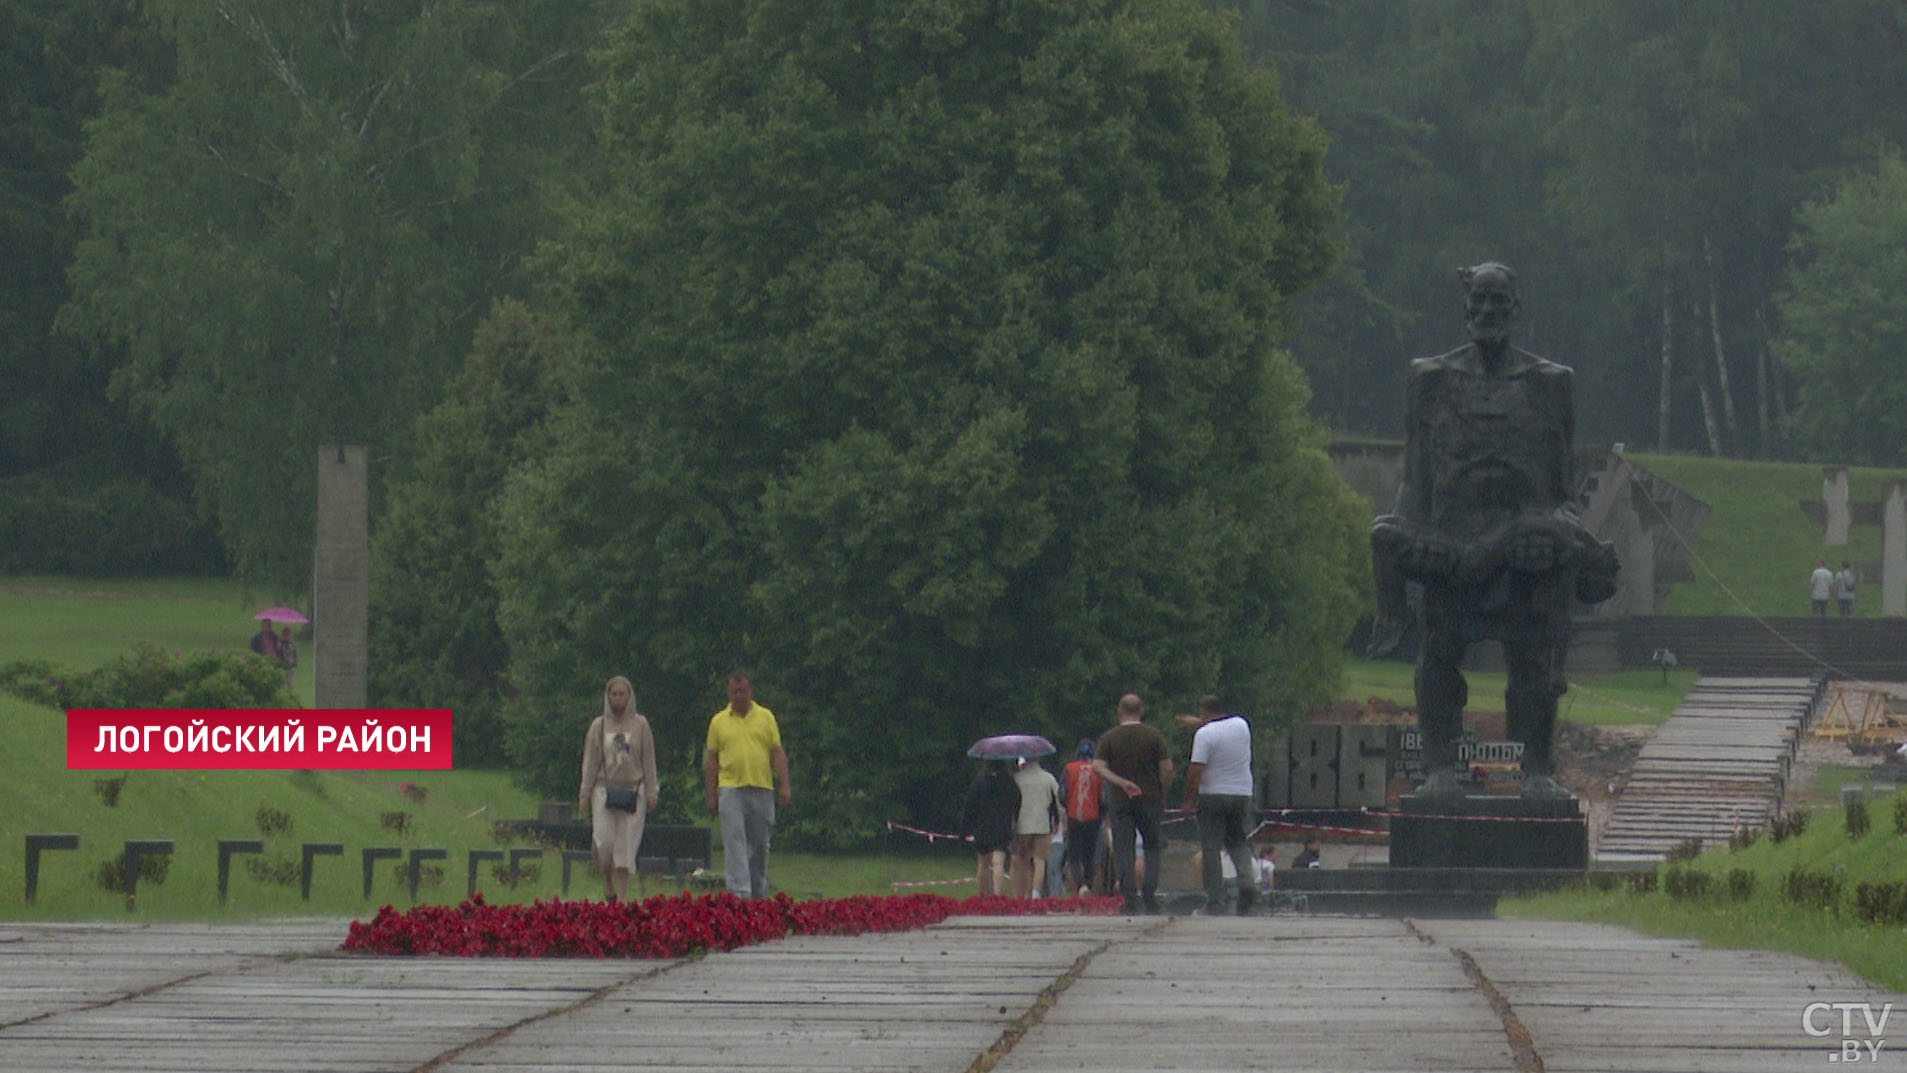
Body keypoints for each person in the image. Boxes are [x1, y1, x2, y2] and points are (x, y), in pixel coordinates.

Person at [1370, 262, 1619, 799]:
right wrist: (1406, 547)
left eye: (1497, 302)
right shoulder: (1430, 378)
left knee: (1534, 662)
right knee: (1437, 654)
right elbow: (1414, 479)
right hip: (1451, 545)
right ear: (1465, 310)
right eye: (1478, 302)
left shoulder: (1551, 384)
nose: (1486, 312)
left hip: (1524, 550)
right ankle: (1439, 769)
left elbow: (1563, 491)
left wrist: (1561, 532)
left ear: (1515, 310)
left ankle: (1537, 770)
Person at [702, 671, 791, 899]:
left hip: (762, 787)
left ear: (750, 690)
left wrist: (784, 785)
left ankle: (757, 892)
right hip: (731, 789)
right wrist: (711, 793)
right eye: (734, 691)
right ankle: (739, 896)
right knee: (735, 843)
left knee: (760, 846)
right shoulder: (718, 721)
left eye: (742, 691)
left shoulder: (766, 717)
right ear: (728, 692)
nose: (738, 695)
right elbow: (712, 760)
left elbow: (777, 752)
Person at [578, 676, 659, 902]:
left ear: (629, 696)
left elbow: (648, 759)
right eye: (613, 694)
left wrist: (652, 791)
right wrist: (585, 791)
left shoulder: (640, 725)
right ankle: (607, 881)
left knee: (625, 849)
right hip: (604, 789)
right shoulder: (599, 725)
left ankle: (621, 901)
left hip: (634, 790)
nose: (617, 698)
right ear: (607, 696)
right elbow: (591, 760)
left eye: (622, 694)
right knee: (604, 842)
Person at [1092, 693, 1172, 914]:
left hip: (1120, 800)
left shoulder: (1109, 737)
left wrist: (1121, 782)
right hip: (1150, 799)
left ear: (1120, 711)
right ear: (1142, 711)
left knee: (1124, 849)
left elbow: (1097, 766)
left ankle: (1129, 899)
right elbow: (1167, 769)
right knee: (1152, 846)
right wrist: (1162, 792)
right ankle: (1149, 894)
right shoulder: (1154, 736)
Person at [1182, 695, 1256, 915]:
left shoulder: (1203, 735)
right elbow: (1219, 728)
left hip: (1212, 795)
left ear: (1204, 712)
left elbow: (1196, 770)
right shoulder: (1242, 725)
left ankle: (1215, 901)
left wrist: (1188, 800)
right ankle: (1247, 883)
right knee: (1238, 842)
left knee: (1211, 848)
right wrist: (1200, 721)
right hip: (1242, 793)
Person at [960, 758, 1019, 896]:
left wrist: (964, 830)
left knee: (983, 863)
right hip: (1002, 826)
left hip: (983, 827)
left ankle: (982, 895)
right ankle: (997, 896)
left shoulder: (979, 782)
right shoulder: (1009, 783)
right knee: (999, 862)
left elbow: (970, 807)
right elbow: (1017, 801)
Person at [1010, 757, 1062, 898]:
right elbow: (1059, 799)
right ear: (1039, 759)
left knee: (1024, 860)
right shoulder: (1048, 778)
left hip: (1022, 824)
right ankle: (1036, 893)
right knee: (1040, 861)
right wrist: (1059, 820)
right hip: (1043, 824)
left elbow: (1013, 801)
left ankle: (1024, 893)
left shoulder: (1017, 778)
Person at [1061, 739, 1104, 895]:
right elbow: (1104, 797)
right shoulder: (1098, 770)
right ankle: (1088, 884)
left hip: (1074, 816)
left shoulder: (1068, 768)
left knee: (1074, 857)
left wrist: (1067, 806)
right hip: (1093, 817)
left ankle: (1080, 886)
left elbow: (1062, 794)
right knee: (1090, 856)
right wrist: (1102, 814)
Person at [277, 625, 299, 691]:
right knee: (282, 684)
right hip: (282, 666)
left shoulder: (292, 643)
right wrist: (279, 647)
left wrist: (296, 662)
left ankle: (290, 695)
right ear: (283, 634)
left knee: (290, 684)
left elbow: (296, 653)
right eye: (285, 634)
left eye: (288, 634)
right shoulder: (280, 642)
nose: (287, 636)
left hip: (290, 666)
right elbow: (277, 652)